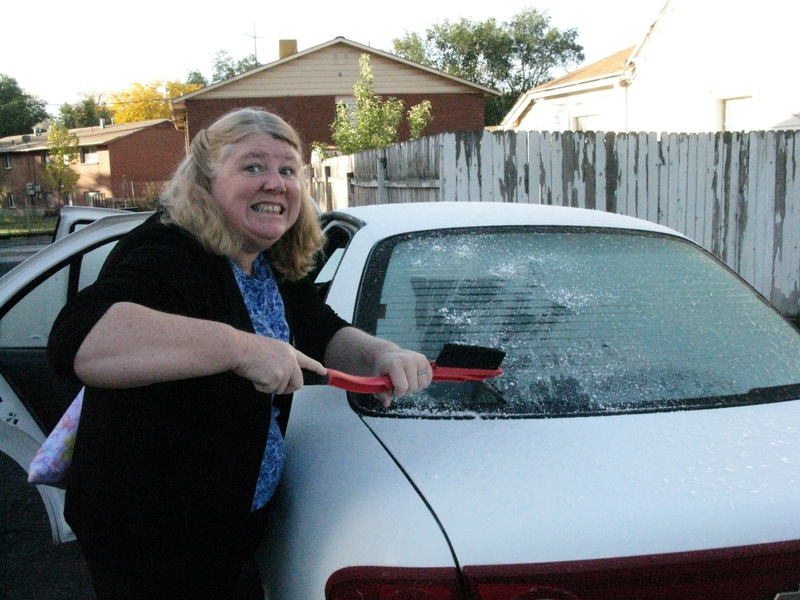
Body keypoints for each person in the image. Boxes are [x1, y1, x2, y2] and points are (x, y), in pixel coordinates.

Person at [46, 107, 432, 600]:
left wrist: (382, 355)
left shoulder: (262, 256)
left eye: (288, 170)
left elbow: (320, 328)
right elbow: (77, 339)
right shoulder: (168, 251)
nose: (276, 183)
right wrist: (239, 347)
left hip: (232, 517)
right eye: (253, 167)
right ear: (204, 181)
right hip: (155, 531)